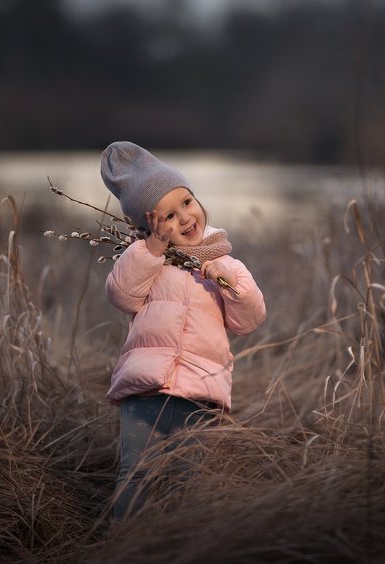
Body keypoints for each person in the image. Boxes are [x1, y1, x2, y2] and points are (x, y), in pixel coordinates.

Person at [99, 141, 267, 520]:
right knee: (135, 475)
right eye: (167, 217)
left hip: (199, 395)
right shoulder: (146, 261)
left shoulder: (228, 263)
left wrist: (229, 285)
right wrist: (151, 250)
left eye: (187, 203)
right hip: (146, 391)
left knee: (186, 480)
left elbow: (249, 320)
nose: (185, 219)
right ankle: (125, 544)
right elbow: (121, 295)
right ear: (148, 226)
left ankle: (175, 544)